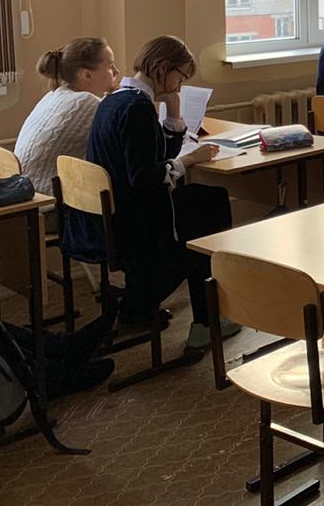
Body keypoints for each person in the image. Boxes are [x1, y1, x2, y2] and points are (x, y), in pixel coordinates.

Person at [74, 36, 240, 350]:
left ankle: (140, 303)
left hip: (111, 217)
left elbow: (155, 154)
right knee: (211, 207)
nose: (180, 85)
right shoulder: (137, 108)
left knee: (204, 200)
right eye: (181, 77)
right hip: (135, 223)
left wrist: (174, 115)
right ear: (163, 69)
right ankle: (205, 320)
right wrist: (188, 161)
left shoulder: (116, 98)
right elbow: (144, 178)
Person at [15, 38, 120, 198]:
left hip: (23, 187)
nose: (116, 71)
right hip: (44, 198)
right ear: (87, 75)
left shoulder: (55, 94)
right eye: (110, 66)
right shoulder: (86, 102)